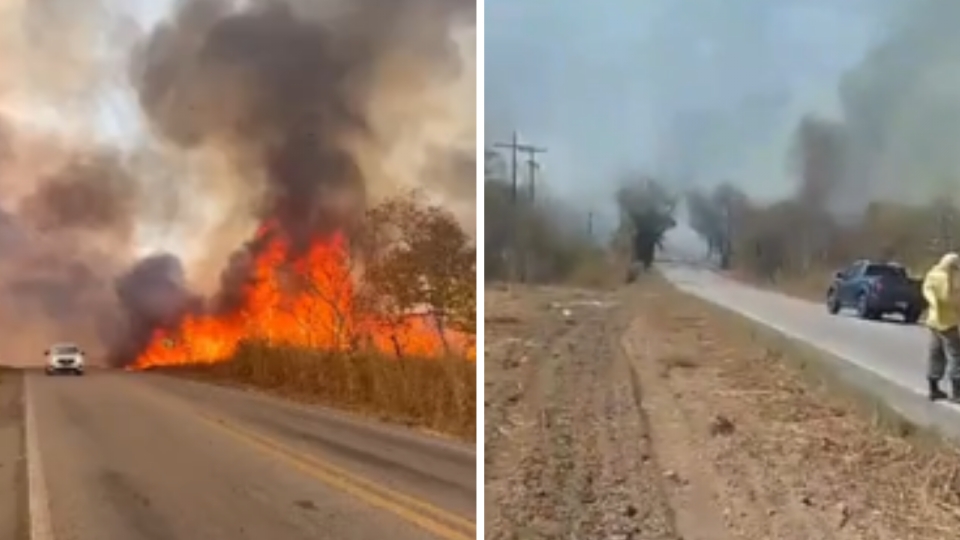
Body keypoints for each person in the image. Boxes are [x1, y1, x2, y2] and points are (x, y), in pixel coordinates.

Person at [922, 252, 960, 401]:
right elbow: (950, 298)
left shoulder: (933, 274)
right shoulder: (952, 278)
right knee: (956, 356)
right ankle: (957, 392)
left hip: (934, 322)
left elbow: (927, 291)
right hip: (948, 322)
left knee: (935, 354)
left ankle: (933, 388)